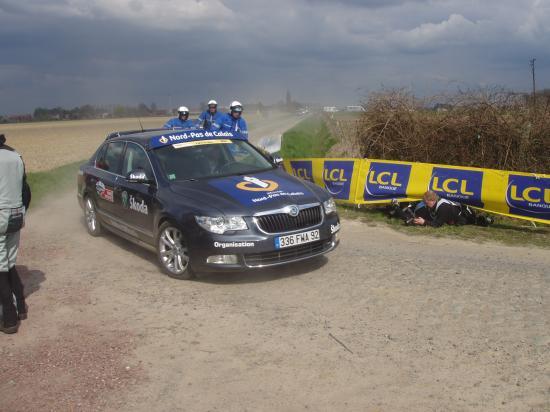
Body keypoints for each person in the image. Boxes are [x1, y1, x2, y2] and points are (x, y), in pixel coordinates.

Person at [0, 134, 31, 334]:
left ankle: (9, 319)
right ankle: (21, 307)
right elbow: (26, 191)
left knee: (0, 268)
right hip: (16, 214)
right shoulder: (15, 156)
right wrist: (22, 211)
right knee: (9, 263)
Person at [390, 191, 492, 227]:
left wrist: (424, 222)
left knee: (473, 221)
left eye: (426, 203)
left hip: (463, 216)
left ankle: (484, 220)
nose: (425, 204)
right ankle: (395, 207)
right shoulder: (430, 203)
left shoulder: (443, 207)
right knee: (412, 217)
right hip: (444, 215)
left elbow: (437, 224)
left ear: (432, 201)